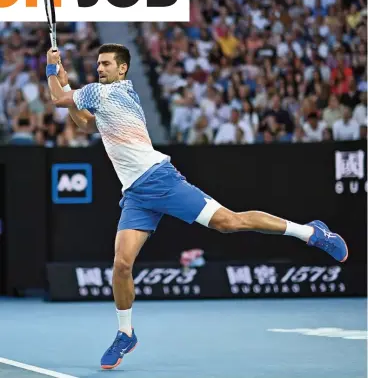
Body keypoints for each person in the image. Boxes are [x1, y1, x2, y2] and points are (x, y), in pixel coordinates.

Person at [46, 44, 348, 370]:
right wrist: (65, 87)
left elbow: (59, 100)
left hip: (161, 180)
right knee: (121, 265)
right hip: (136, 194)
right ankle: (125, 332)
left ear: (123, 70)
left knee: (229, 223)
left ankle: (310, 233)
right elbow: (86, 124)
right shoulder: (103, 96)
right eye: (98, 64)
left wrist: (54, 73)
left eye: (106, 64)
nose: (100, 68)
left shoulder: (107, 93)